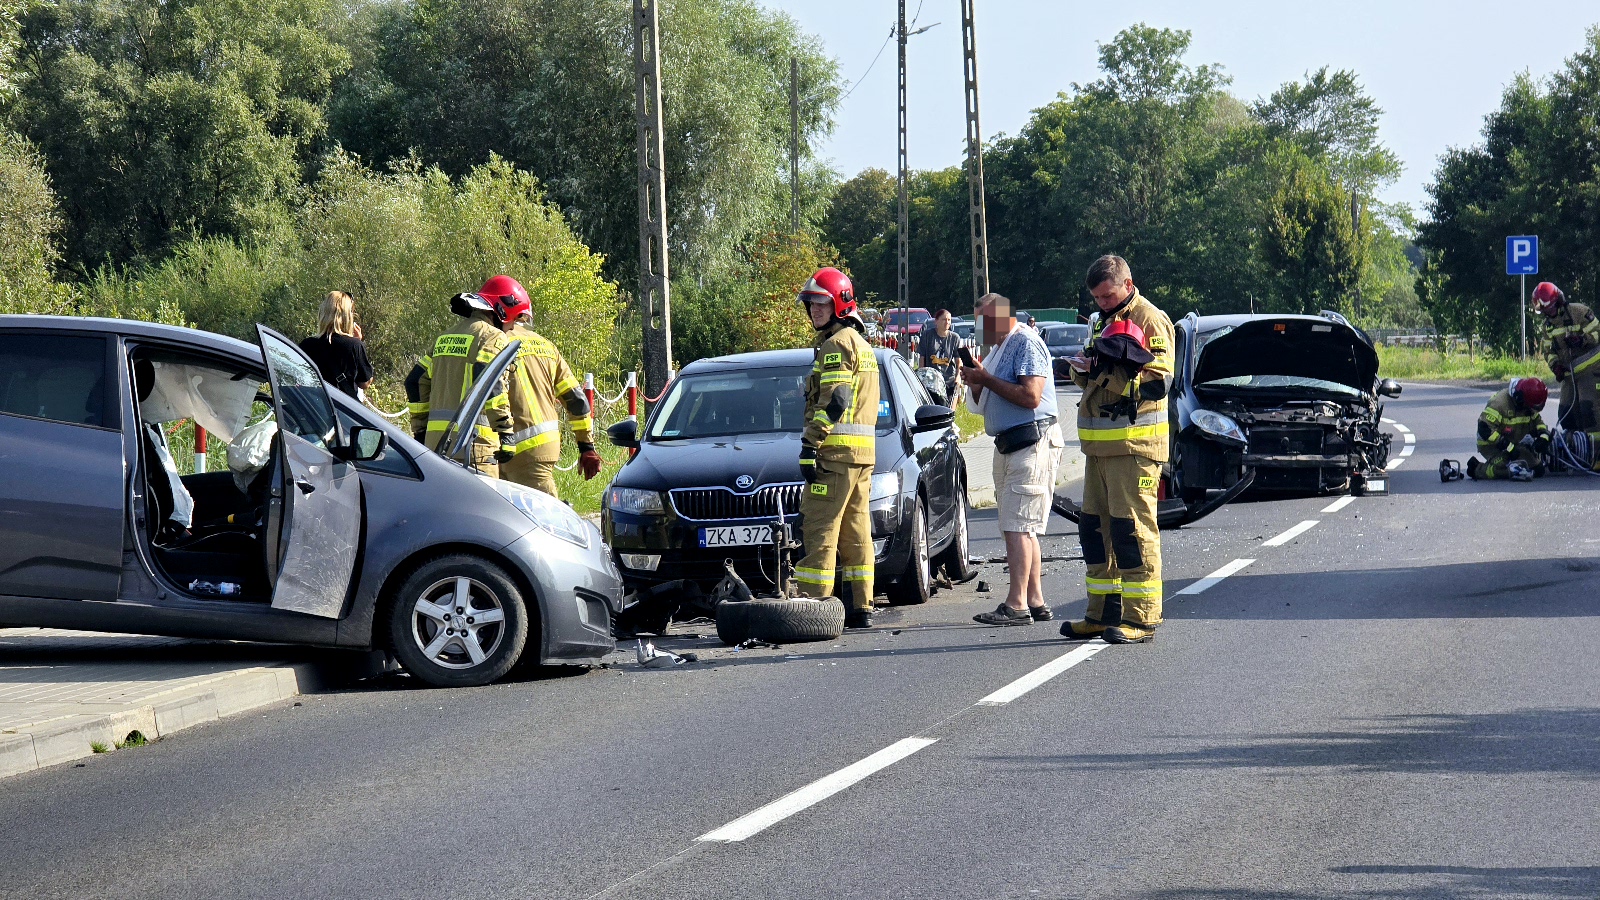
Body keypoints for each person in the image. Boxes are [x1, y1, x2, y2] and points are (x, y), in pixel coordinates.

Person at [1059, 255, 1174, 644]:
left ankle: (1141, 619)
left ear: (1128, 284)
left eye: (1108, 296)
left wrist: (1104, 375)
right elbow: (1093, 377)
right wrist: (1080, 369)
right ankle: (1102, 612)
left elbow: (1157, 385)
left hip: (1135, 448)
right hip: (1099, 450)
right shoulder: (1104, 322)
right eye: (1097, 298)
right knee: (1095, 532)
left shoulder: (1150, 319)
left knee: (1132, 532)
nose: (1103, 303)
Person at [963, 293, 1062, 626]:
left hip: (1031, 441)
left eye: (983, 321)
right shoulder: (1000, 348)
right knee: (1022, 526)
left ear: (1001, 317)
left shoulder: (1025, 343)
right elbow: (988, 397)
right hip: (1012, 443)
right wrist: (978, 379)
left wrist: (986, 379)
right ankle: (1034, 599)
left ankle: (1016, 603)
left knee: (1018, 526)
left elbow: (1031, 396)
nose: (980, 328)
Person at [794, 267, 880, 629]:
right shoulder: (864, 346)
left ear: (840, 304)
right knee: (856, 530)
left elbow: (837, 399)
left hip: (834, 456)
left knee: (820, 529)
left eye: (821, 303)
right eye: (811, 304)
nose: (815, 310)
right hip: (862, 458)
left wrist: (810, 444)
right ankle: (862, 606)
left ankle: (814, 610)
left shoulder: (836, 345)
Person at [474, 275, 603, 498]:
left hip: (499, 446)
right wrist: (586, 447)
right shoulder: (545, 345)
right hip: (538, 448)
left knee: (543, 522)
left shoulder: (488, 340)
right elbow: (576, 400)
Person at [404, 289, 520, 477]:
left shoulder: (445, 337)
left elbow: (414, 381)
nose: (512, 328)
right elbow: (489, 381)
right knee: (483, 507)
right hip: (474, 449)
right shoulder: (493, 337)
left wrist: (421, 432)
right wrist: (505, 432)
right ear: (501, 312)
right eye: (514, 319)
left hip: (435, 448)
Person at [1533, 281, 1600, 430]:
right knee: (1566, 415)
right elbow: (1548, 351)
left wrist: (1583, 340)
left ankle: (1594, 449)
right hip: (1569, 374)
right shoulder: (1548, 326)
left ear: (1558, 302)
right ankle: (1574, 448)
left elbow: (1598, 333)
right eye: (1544, 311)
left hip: (1591, 370)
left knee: (1588, 411)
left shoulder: (1579, 312)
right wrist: (1555, 366)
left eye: (1550, 309)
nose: (1548, 313)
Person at [1466, 377, 1551, 481]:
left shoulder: (1527, 405)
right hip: (1491, 445)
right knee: (1507, 469)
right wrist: (1509, 447)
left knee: (1538, 470)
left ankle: (1512, 459)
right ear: (1520, 399)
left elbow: (1539, 424)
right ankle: (1476, 468)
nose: (1531, 411)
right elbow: (1485, 429)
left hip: (1513, 445)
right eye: (1530, 407)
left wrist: (1543, 438)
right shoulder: (1500, 403)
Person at [298, 291, 373, 400]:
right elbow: (364, 383)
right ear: (347, 316)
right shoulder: (354, 345)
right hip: (342, 408)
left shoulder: (306, 344)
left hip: (314, 408)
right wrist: (358, 341)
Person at [917, 308, 961, 403]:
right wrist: (921, 377)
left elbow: (958, 360)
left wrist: (958, 378)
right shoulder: (927, 335)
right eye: (944, 319)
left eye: (949, 320)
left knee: (948, 409)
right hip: (931, 380)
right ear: (936, 321)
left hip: (948, 380)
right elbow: (922, 358)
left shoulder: (954, 338)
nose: (947, 322)